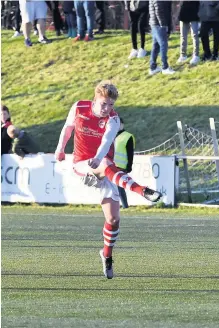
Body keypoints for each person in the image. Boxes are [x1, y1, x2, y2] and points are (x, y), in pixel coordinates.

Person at [55, 81, 162, 279]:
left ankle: (106, 255)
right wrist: (60, 148)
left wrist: (98, 158)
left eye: (111, 105)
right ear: (95, 99)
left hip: (104, 166)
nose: (107, 109)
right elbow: (68, 128)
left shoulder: (113, 119)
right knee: (106, 163)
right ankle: (141, 190)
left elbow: (106, 142)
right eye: (104, 104)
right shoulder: (79, 107)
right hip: (83, 163)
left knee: (113, 219)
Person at [148, 0, 175, 75]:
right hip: (159, 24)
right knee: (163, 44)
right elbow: (158, 11)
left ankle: (153, 67)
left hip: (155, 23)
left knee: (156, 46)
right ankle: (165, 67)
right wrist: (163, 25)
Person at [114, 118, 135, 209]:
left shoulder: (127, 136)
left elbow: (130, 153)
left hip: (121, 166)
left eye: (119, 123)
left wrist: (129, 166)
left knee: (119, 187)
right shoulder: (112, 135)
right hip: (111, 165)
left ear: (122, 124)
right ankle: (116, 206)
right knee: (112, 188)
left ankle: (125, 206)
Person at [177, 0, 201, 65]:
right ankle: (183, 55)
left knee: (195, 35)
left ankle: (196, 55)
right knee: (183, 36)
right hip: (183, 13)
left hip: (194, 13)